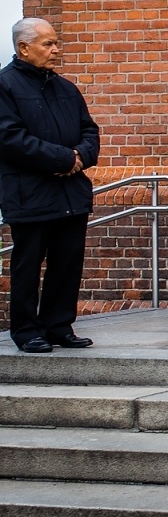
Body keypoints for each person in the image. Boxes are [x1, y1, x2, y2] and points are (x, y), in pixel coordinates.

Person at [0, 19, 99, 354]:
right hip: (29, 193)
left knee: (67, 262)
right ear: (23, 47)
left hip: (70, 192)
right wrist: (62, 159)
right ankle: (27, 331)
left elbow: (90, 131)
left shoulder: (65, 88)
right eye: (48, 44)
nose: (56, 50)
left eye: (56, 43)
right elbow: (10, 138)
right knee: (27, 265)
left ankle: (59, 325)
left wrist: (80, 156)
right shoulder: (5, 86)